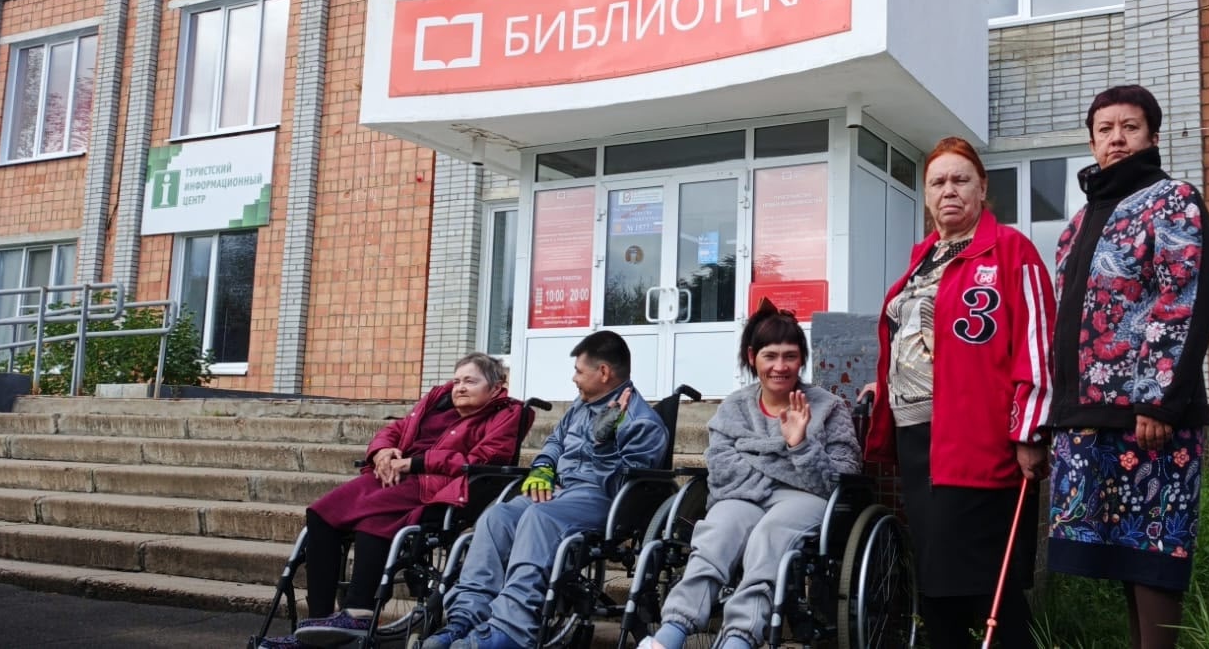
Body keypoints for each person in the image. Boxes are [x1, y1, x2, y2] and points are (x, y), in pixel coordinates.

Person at [1038, 84, 1209, 649]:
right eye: (1104, 129)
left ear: (1153, 136)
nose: (1116, 138)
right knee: (1121, 555)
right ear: (1092, 142)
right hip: (1087, 415)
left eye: (1130, 127)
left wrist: (1159, 401)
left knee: (1154, 552)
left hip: (1148, 415)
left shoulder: (1173, 200)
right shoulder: (1077, 224)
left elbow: (1181, 298)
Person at [861, 136, 1056, 648]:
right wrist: (888, 379)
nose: (949, 190)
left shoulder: (1010, 250)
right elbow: (917, 333)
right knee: (937, 583)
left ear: (982, 188)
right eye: (938, 182)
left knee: (986, 585)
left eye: (960, 179)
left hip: (976, 438)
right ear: (926, 194)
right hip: (917, 440)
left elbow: (1037, 342)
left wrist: (1030, 429)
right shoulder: (924, 257)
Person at [259, 353, 525, 649]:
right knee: (320, 514)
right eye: (457, 381)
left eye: (470, 381)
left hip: (436, 486)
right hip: (394, 476)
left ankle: (358, 614)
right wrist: (381, 451)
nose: (460, 387)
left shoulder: (506, 413)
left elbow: (484, 459)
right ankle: (318, 624)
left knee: (374, 520)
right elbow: (395, 429)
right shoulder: (437, 400)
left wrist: (416, 463)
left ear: (496, 387)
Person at [423, 330, 669, 649]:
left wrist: (601, 439)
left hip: (600, 499)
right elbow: (555, 442)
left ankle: (511, 629)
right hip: (561, 491)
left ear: (604, 372)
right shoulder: (580, 407)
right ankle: (466, 618)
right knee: (497, 517)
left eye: (579, 371)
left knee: (539, 518)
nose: (574, 378)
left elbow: (629, 485)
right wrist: (543, 467)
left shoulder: (641, 421)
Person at [638, 300, 862, 649]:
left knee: (769, 536)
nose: (780, 366)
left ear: (802, 359)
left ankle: (739, 638)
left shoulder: (827, 407)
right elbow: (721, 471)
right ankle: (673, 630)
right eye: (770, 356)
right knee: (717, 534)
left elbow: (839, 478)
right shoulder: (735, 406)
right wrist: (782, 463)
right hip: (742, 497)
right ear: (752, 357)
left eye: (790, 356)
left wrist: (801, 445)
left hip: (803, 500)